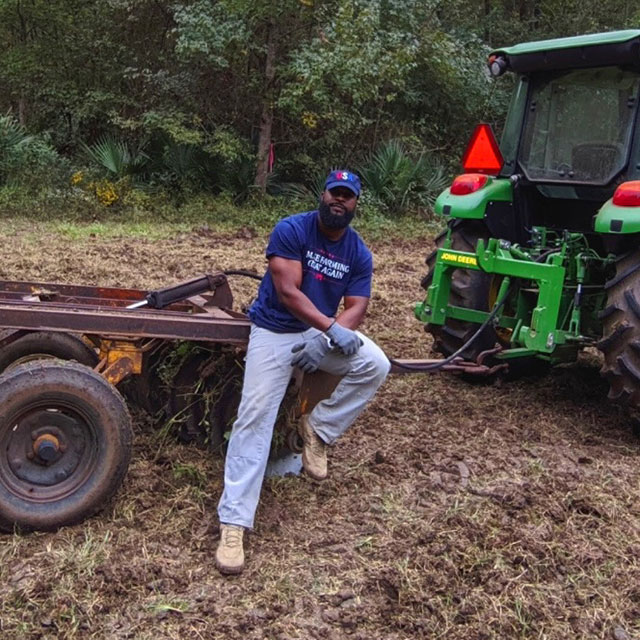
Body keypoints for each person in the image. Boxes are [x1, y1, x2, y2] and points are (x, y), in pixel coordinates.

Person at [215, 169, 391, 575]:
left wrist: (330, 335)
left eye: (347, 196)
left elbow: (357, 305)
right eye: (334, 193)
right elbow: (287, 290)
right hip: (275, 331)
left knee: (374, 364)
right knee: (254, 419)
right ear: (323, 194)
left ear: (355, 203)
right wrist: (328, 327)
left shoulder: (358, 252)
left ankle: (320, 430)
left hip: (318, 333)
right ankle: (234, 524)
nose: (339, 201)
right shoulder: (292, 230)